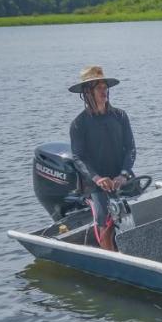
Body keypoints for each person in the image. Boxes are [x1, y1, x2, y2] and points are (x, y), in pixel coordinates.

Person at [68, 65, 136, 251]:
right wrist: (98, 179)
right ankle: (110, 252)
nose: (104, 91)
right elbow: (78, 158)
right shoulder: (78, 124)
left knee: (142, 209)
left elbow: (130, 149)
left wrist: (123, 174)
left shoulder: (120, 116)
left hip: (122, 177)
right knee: (103, 216)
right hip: (96, 183)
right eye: (99, 87)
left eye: (105, 87)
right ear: (87, 92)